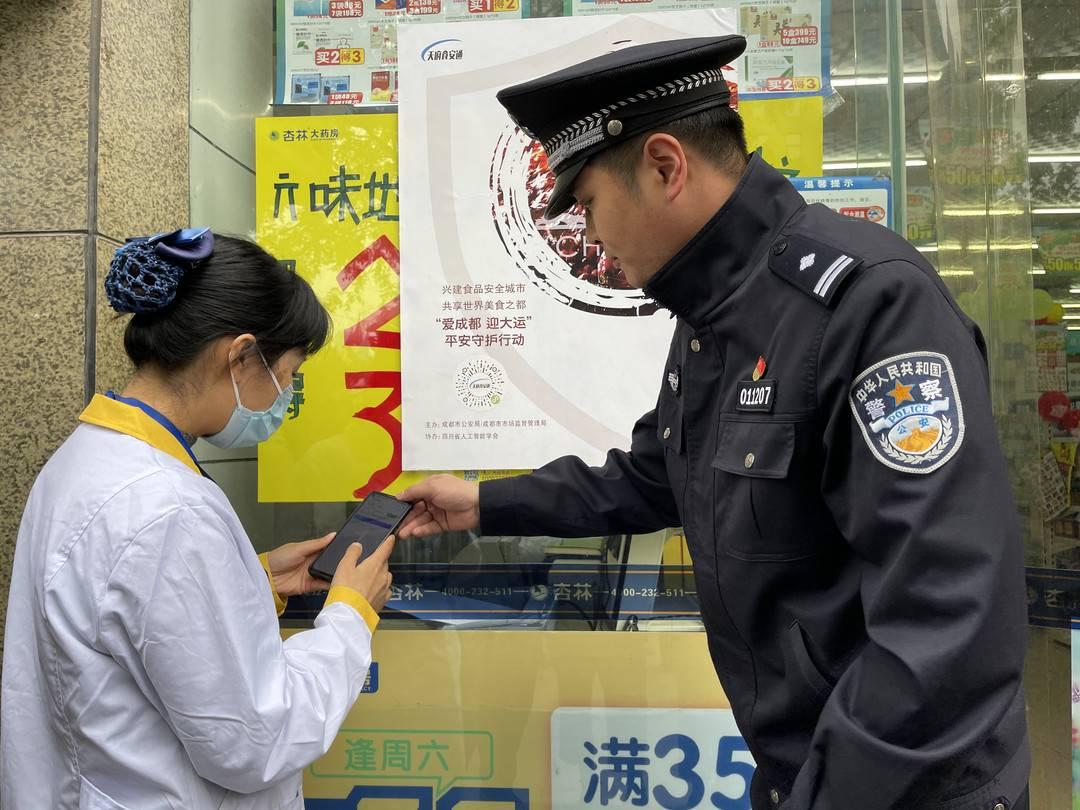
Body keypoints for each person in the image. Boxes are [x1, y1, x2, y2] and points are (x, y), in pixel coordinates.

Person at [399, 37, 1030, 809]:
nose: (588, 238)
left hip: (906, 787)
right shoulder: (716, 316)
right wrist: (487, 503)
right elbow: (658, 474)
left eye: (589, 203)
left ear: (666, 166)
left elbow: (947, 613)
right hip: (806, 773)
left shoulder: (866, 304)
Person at [1, 229, 393, 809]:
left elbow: (126, 622)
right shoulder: (166, 508)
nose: (287, 392)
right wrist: (349, 619)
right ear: (238, 355)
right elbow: (254, 742)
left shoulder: (89, 457)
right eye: (288, 372)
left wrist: (252, 582)